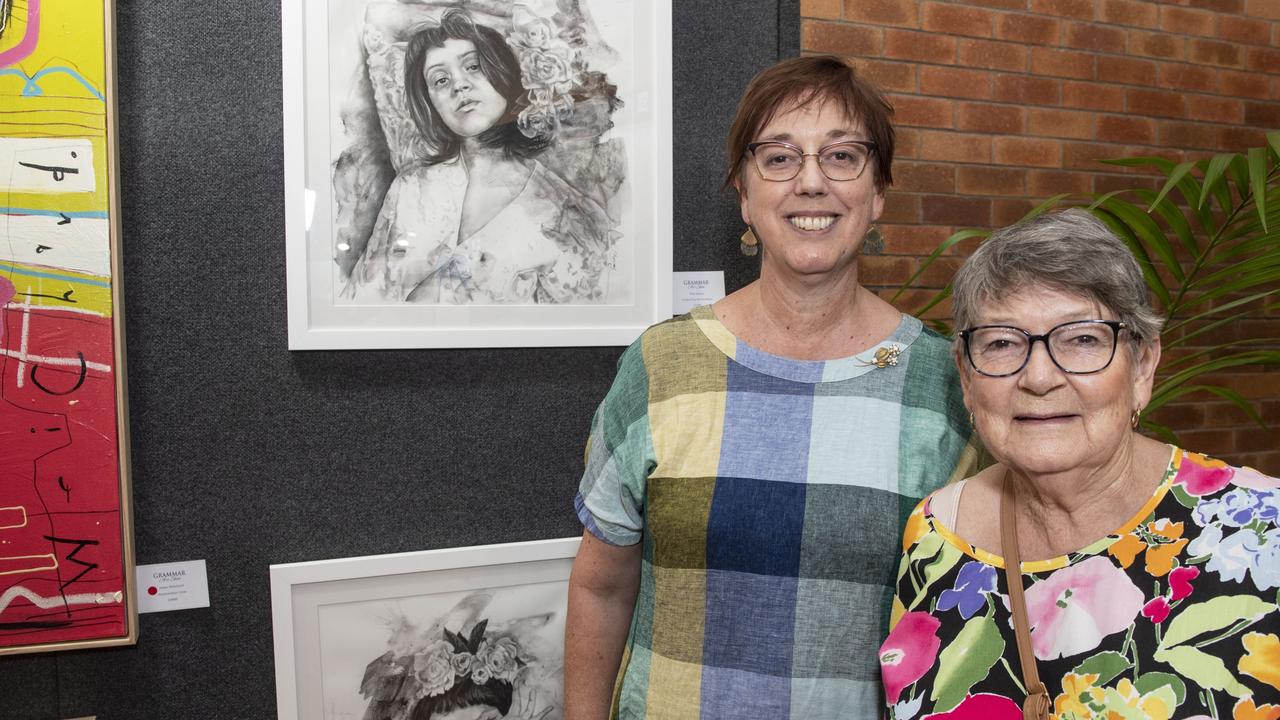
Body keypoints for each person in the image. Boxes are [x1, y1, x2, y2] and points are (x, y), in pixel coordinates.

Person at [566, 55, 980, 720]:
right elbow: (602, 588)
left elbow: (967, 622)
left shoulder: (940, 384)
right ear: (743, 193)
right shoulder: (662, 364)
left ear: (877, 194)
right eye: (780, 158)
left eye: (842, 156)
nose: (810, 182)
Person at [880, 209, 1280, 720]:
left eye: (1083, 339)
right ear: (965, 376)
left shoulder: (1262, 533)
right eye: (1002, 343)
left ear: (1142, 365)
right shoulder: (935, 538)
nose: (1039, 377)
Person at [345, 8, 614, 305]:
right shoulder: (410, 188)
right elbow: (358, 303)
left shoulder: (568, 214)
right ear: (430, 104)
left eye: (473, 66)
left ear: (505, 73)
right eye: (440, 80)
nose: (459, 84)